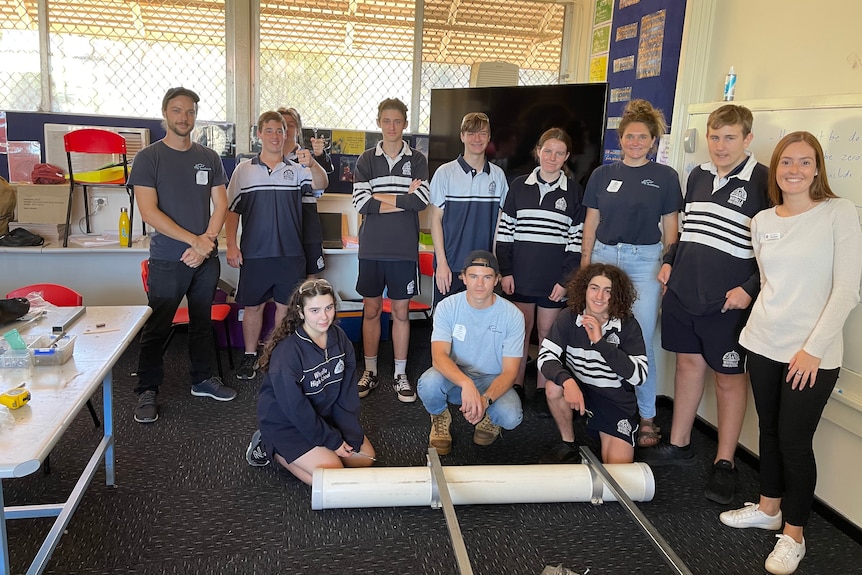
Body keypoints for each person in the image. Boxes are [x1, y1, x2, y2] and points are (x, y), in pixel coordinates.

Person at [719, 131, 862, 575]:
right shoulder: (761, 220)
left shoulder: (838, 213)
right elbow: (770, 284)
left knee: (796, 445)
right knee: (769, 434)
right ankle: (768, 508)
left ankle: (793, 534)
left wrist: (811, 350)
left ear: (817, 168)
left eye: (804, 162)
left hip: (812, 355)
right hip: (763, 342)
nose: (794, 171)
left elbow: (847, 291)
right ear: (775, 168)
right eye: (786, 162)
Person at [641, 105, 770, 505]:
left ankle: (725, 462)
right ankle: (680, 444)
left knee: (729, 379)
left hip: (727, 302)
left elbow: (774, 248)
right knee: (687, 365)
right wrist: (667, 262)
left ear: (747, 139)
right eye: (715, 137)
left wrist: (750, 287)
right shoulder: (696, 175)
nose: (720, 145)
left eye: (729, 137)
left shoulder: (764, 180)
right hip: (683, 293)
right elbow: (687, 232)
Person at [131, 87, 237, 424]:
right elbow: (149, 211)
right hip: (168, 259)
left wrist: (205, 243)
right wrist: (195, 240)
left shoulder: (208, 157)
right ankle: (147, 389)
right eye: (177, 111)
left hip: (205, 259)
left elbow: (221, 204)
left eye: (190, 112)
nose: (184, 118)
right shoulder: (149, 157)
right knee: (158, 326)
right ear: (165, 113)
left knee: (202, 323)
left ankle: (202, 379)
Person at [581, 99, 682, 448]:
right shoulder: (602, 175)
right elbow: (591, 222)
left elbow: (672, 227)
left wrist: (668, 262)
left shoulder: (666, 177)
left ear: (653, 141)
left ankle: (647, 414)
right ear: (620, 139)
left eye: (642, 137)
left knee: (640, 340)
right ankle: (605, 404)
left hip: (644, 262)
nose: (635, 142)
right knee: (599, 332)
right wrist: (586, 266)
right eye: (629, 137)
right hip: (605, 257)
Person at [226, 111, 329, 380]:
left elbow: (321, 185)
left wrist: (313, 164)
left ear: (287, 135)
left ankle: (276, 355)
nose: (274, 136)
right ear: (259, 134)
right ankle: (250, 356)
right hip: (255, 254)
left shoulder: (297, 170)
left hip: (290, 254)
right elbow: (232, 211)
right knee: (253, 307)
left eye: (279, 131)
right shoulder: (243, 171)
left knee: (285, 309)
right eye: (269, 130)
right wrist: (231, 246)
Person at [245, 278, 375, 485]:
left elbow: (346, 394)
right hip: (287, 423)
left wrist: (348, 434)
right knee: (333, 478)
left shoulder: (340, 338)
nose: (324, 317)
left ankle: (319, 450)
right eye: (315, 310)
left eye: (329, 308)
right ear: (301, 312)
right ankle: (270, 446)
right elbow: (296, 409)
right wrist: (332, 441)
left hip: (323, 415)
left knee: (365, 460)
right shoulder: (288, 353)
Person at [495, 127, 585, 413]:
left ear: (567, 156)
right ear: (538, 151)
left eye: (560, 153)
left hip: (553, 281)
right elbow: (505, 233)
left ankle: (545, 388)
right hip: (520, 275)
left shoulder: (573, 192)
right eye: (548, 151)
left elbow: (576, 242)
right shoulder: (519, 185)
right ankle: (517, 384)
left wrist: (565, 280)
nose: (552, 157)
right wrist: (506, 271)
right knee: (521, 331)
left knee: (548, 332)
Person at [351, 98, 430, 403]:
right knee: (371, 310)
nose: (392, 127)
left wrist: (379, 196)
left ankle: (400, 374)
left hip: (403, 250)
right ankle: (370, 371)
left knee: (400, 313)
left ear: (405, 124)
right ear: (379, 123)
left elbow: (420, 200)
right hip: (371, 249)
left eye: (398, 121)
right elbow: (360, 203)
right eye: (387, 121)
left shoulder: (418, 160)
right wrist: (400, 198)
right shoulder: (366, 159)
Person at [538, 263, 647, 464]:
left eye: (608, 291)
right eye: (594, 288)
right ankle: (568, 442)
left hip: (613, 401)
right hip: (580, 390)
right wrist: (568, 382)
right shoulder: (568, 317)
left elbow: (639, 376)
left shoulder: (628, 325)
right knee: (554, 387)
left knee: (618, 476)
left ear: (616, 295)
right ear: (584, 290)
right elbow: (545, 357)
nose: (599, 297)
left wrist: (600, 342)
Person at [417, 251, 525, 453]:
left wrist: (485, 400)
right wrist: (465, 383)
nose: (479, 284)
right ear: (463, 278)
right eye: (473, 276)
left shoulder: (513, 316)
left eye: (487, 277)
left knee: (511, 416)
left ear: (496, 280)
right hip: (456, 375)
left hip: (492, 379)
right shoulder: (447, 307)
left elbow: (510, 372)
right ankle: (440, 414)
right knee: (428, 383)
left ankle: (490, 418)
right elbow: (438, 357)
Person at [428, 112, 509, 304]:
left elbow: (500, 223)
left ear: (489, 138)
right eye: (471, 133)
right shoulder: (445, 173)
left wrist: (497, 264)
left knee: (481, 327)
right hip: (451, 266)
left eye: (482, 133)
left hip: (485, 269)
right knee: (445, 326)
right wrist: (442, 264)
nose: (477, 139)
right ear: (462, 136)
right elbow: (435, 220)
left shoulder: (498, 176)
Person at [279, 106, 333, 280]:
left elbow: (321, 183)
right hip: (278, 231)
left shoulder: (307, 158)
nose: (287, 129)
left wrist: (318, 157)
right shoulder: (267, 158)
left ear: (298, 129)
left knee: (311, 282)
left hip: (306, 229)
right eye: (282, 125)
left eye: (291, 125)